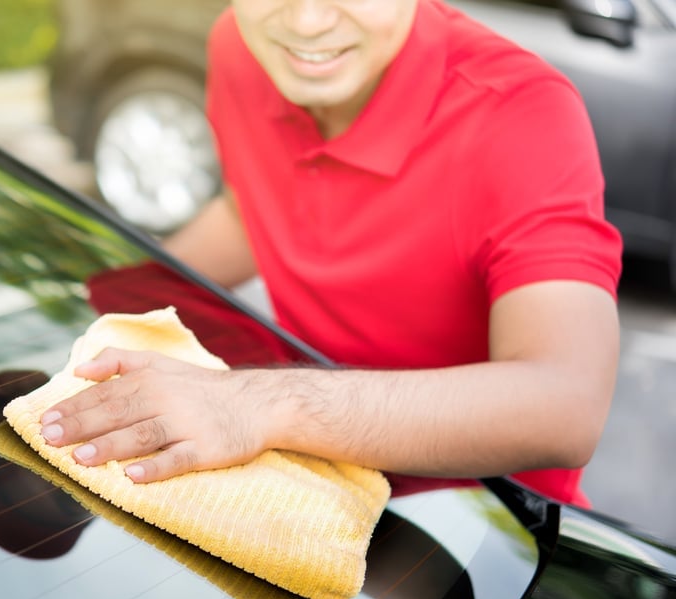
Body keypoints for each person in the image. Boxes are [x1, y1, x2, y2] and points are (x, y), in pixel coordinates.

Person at [38, 0, 623, 506]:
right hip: (311, 493)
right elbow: (254, 211)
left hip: (487, 541)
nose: (308, 23)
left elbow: (564, 400)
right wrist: (86, 301)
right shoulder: (242, 48)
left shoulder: (520, 112)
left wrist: (259, 402)